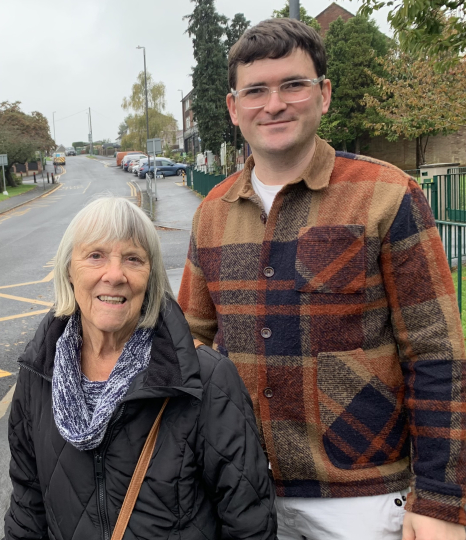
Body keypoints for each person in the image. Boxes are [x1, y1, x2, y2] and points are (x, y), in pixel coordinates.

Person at [177, 17, 466, 540]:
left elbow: (438, 353)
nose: (274, 104)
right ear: (233, 108)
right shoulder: (213, 213)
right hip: (243, 493)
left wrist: (442, 500)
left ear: (324, 94)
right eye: (256, 90)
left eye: (293, 85)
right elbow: (187, 345)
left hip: (363, 497)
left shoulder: (387, 195)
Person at [5, 197, 276, 540]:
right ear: (69, 271)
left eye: (133, 259)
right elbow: (27, 504)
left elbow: (248, 519)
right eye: (95, 256)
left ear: (150, 277)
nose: (114, 275)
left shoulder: (206, 378)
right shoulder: (38, 373)